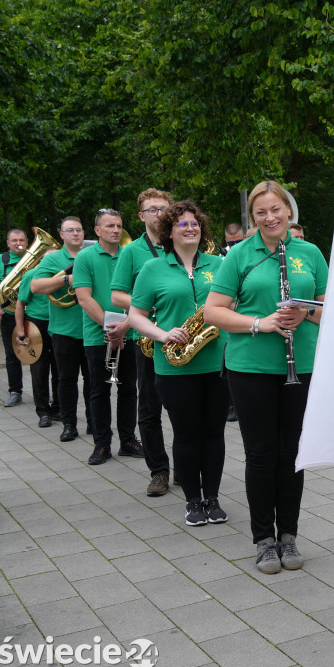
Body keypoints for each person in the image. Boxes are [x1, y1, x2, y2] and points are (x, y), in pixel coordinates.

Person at [205, 180, 327, 574]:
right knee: (261, 454)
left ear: (288, 212)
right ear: (253, 217)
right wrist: (261, 322)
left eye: (276, 210)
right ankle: (263, 540)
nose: (270, 217)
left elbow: (330, 308)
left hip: (301, 365)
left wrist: (303, 313)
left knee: (291, 453)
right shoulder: (239, 254)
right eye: (261, 212)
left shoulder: (309, 252)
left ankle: (288, 535)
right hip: (251, 366)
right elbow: (213, 312)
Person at [130, 199, 229, 526]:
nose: (190, 228)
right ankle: (192, 502)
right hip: (174, 366)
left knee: (214, 434)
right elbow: (135, 316)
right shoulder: (152, 268)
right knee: (186, 435)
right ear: (168, 232)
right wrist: (161, 334)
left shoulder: (219, 264)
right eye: (182, 223)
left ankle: (212, 497)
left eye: (195, 223)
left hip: (218, 364)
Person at [112, 188, 172, 497]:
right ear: (141, 216)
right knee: (149, 409)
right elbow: (117, 294)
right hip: (147, 340)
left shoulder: (184, 243)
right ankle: (159, 471)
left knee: (185, 408)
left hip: (185, 338)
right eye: (152, 209)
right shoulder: (132, 251)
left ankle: (192, 467)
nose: (159, 214)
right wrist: (147, 306)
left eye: (164, 208)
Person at [73, 208, 140, 466]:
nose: (116, 230)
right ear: (98, 231)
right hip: (96, 335)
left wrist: (125, 326)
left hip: (131, 331)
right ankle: (102, 444)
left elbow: (140, 294)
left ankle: (128, 440)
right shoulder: (85, 257)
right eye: (110, 226)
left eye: (119, 225)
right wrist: (111, 327)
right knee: (99, 391)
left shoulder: (130, 255)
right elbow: (84, 297)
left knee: (128, 390)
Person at [32, 217, 92, 441]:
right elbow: (36, 286)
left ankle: (94, 422)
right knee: (66, 380)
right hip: (64, 330)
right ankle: (69, 424)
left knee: (92, 380)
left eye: (78, 229)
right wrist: (67, 279)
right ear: (62, 234)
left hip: (92, 329)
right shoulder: (53, 259)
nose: (75, 234)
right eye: (70, 230)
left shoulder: (92, 256)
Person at [0, 229, 30, 406]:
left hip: (33, 313)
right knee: (11, 354)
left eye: (21, 240)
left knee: (41, 353)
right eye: (14, 240)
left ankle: (44, 393)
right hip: (9, 314)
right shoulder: (0, 260)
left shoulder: (35, 259)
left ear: (27, 242)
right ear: (8, 243)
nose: (18, 243)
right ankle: (15, 391)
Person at [15, 262, 60, 427]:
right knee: (39, 369)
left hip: (59, 322)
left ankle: (58, 409)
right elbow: (20, 303)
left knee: (60, 368)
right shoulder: (31, 275)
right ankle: (43, 411)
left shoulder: (61, 277)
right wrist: (21, 331)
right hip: (36, 324)